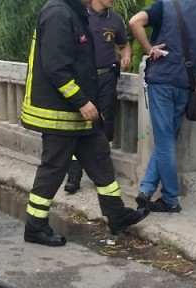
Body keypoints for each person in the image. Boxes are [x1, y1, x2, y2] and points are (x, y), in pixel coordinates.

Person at [20, 0, 149, 247]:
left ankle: (117, 215)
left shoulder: (74, 12)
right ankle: (35, 226)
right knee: (54, 168)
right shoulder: (58, 13)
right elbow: (55, 67)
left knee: (100, 157)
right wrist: (81, 101)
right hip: (61, 113)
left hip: (79, 114)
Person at [128, 0, 196, 213]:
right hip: (185, 84)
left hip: (163, 81)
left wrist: (148, 49)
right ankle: (147, 189)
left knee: (164, 141)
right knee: (166, 139)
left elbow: (134, 22)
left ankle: (170, 198)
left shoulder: (165, 6)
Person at [62, 0, 133, 194]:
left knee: (106, 124)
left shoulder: (115, 20)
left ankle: (100, 174)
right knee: (82, 125)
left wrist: (126, 56)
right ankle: (74, 177)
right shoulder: (80, 15)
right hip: (84, 79)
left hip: (107, 77)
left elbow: (124, 45)